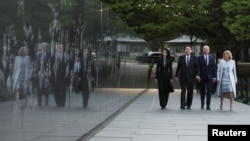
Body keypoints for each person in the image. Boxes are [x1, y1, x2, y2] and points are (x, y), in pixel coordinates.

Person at [175, 45, 200, 110]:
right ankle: (182, 105)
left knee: (190, 91)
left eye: (189, 49)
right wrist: (176, 75)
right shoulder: (181, 58)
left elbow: (197, 67)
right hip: (183, 77)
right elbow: (178, 67)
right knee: (183, 90)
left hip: (191, 77)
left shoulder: (194, 58)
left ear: (191, 51)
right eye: (186, 49)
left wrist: (197, 75)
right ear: (184, 50)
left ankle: (189, 104)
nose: (187, 50)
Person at [197, 45, 216, 110]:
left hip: (210, 77)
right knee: (202, 91)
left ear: (209, 50)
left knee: (209, 91)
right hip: (202, 77)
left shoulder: (212, 57)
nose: (206, 51)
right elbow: (198, 68)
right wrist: (198, 75)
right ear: (203, 50)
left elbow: (214, 68)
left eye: (207, 50)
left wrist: (214, 77)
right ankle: (202, 104)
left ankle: (208, 105)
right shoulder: (199, 58)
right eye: (205, 49)